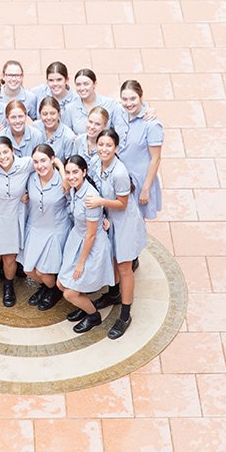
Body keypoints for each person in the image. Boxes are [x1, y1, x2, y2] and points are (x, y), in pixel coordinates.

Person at [85, 128, 147, 339]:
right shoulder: (95, 162)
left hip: (124, 222)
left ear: (116, 148)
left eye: (108, 146)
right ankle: (113, 294)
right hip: (109, 220)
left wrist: (101, 203)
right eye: (100, 144)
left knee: (124, 267)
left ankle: (125, 314)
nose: (104, 149)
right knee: (111, 258)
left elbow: (122, 203)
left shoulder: (119, 172)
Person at [57, 155, 114, 333]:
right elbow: (65, 180)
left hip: (91, 245)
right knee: (61, 284)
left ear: (84, 172)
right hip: (77, 239)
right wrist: (58, 164)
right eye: (68, 173)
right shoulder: (75, 187)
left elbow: (91, 236)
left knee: (69, 292)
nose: (71, 176)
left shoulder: (90, 197)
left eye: (75, 172)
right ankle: (85, 305)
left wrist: (80, 263)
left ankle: (93, 315)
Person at [0, 136, 34, 308]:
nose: (2, 157)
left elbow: (48, 162)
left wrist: (30, 192)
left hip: (13, 217)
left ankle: (9, 287)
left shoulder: (25, 164)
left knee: (10, 259)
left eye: (5, 152)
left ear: (13, 151)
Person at [20, 144, 70, 311]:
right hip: (34, 228)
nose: (39, 165)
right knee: (28, 270)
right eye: (36, 162)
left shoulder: (64, 181)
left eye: (43, 161)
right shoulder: (31, 178)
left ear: (52, 160)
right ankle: (45, 287)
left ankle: (53, 290)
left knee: (44, 272)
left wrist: (62, 169)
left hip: (55, 230)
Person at [114, 80, 164, 222]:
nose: (128, 103)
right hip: (120, 176)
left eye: (133, 98)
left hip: (139, 180)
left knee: (136, 221)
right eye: (125, 99)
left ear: (141, 97)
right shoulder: (119, 112)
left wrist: (146, 189)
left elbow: (156, 159)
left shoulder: (152, 125)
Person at [65, 68, 119, 134]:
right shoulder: (70, 108)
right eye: (78, 84)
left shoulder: (110, 104)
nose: (82, 88)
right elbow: (67, 135)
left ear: (94, 84)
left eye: (86, 84)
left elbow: (118, 131)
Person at [37, 95, 77, 160]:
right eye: (45, 114)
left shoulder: (68, 136)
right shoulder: (35, 128)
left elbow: (69, 164)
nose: (49, 117)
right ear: (40, 114)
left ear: (59, 113)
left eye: (52, 113)